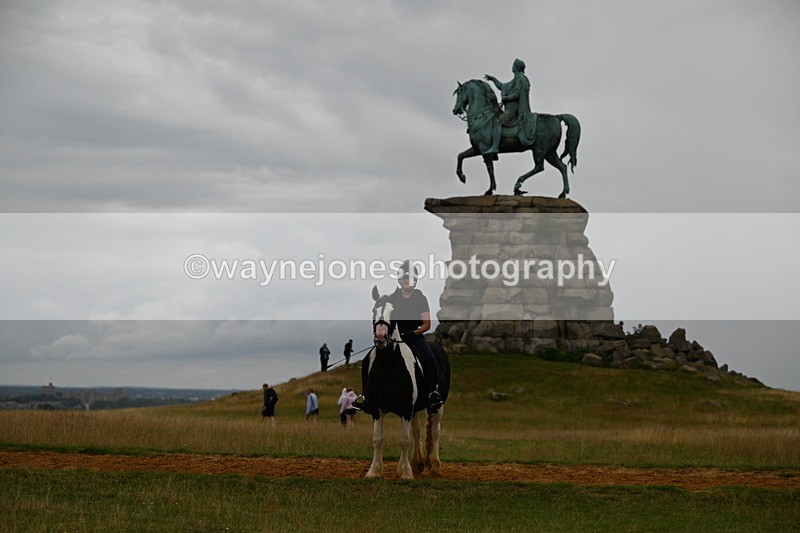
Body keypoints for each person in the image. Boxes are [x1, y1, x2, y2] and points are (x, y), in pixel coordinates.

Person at [355, 260, 443, 415]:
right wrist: (379, 300)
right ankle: (366, 396)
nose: (406, 281)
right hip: (394, 336)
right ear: (400, 280)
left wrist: (413, 333)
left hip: (414, 336)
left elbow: (427, 324)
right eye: (403, 278)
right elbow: (384, 310)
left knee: (429, 358)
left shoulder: (420, 297)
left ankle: (432, 393)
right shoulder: (394, 297)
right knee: (367, 359)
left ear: (414, 281)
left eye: (409, 278)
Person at [483, 58, 536, 154]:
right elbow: (502, 86)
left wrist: (505, 99)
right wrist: (493, 79)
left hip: (514, 110)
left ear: (516, 68)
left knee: (498, 121)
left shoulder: (520, 79)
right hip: (510, 109)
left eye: (513, 65)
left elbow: (516, 94)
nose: (512, 67)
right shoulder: (516, 79)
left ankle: (495, 147)